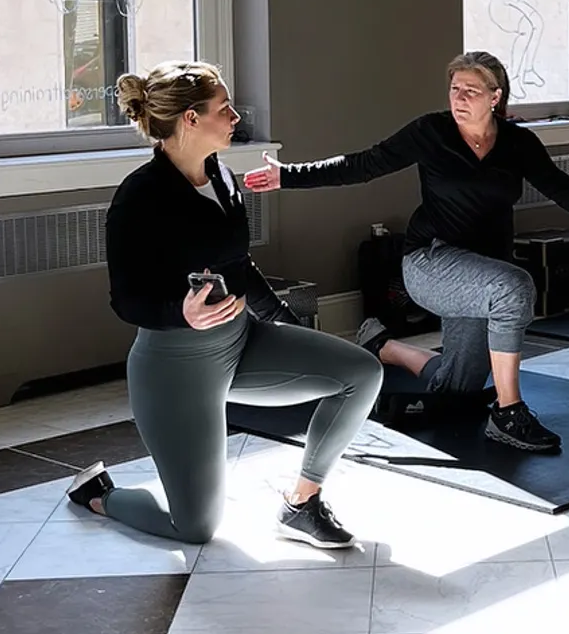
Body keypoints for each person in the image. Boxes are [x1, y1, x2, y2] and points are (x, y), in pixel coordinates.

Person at [246, 51, 569, 454]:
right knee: (515, 288)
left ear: (495, 97)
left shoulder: (518, 142)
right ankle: (509, 412)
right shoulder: (431, 132)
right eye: (454, 89)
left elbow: (555, 183)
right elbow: (363, 164)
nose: (459, 98)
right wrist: (287, 175)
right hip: (431, 261)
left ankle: (382, 343)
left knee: (456, 390)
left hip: (482, 275)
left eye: (471, 90)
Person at [70, 61, 385, 549]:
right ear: (191, 120)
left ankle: (301, 504)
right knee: (193, 528)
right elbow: (125, 298)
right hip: (175, 370)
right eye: (225, 108)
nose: (236, 116)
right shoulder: (139, 197)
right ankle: (99, 495)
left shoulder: (222, 175)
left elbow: (238, 265)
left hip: (242, 344)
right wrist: (183, 313)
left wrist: (284, 320)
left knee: (362, 373)